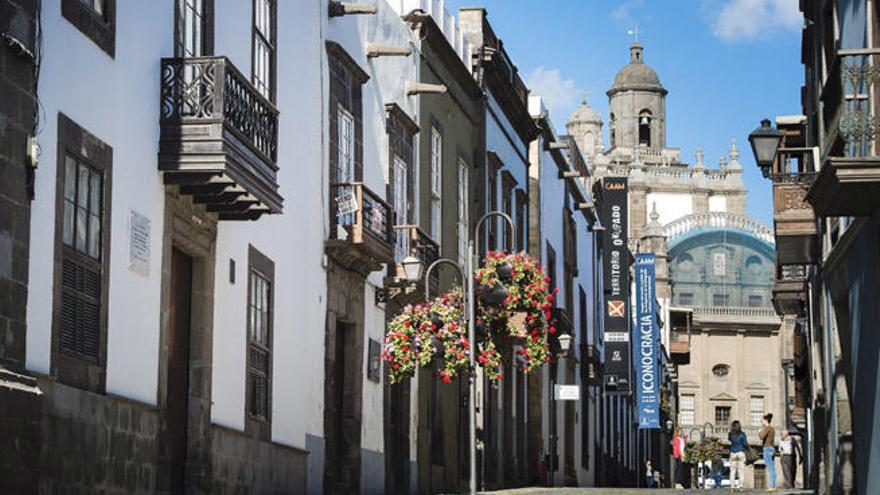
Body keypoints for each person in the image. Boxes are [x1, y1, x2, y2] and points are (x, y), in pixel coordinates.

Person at [759, 413, 777, 492]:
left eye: (762, 420)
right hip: (772, 448)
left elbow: (761, 436)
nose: (761, 422)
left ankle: (771, 486)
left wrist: (759, 431)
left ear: (766, 420)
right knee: (772, 468)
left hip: (767, 449)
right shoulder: (772, 428)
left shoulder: (767, 428)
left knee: (770, 469)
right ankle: (773, 485)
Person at [728, 420, 748, 491]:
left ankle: (732, 487)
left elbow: (730, 440)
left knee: (732, 471)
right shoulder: (743, 434)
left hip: (733, 452)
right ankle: (740, 487)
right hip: (741, 452)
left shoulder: (730, 434)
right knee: (741, 471)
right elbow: (745, 444)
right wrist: (747, 449)